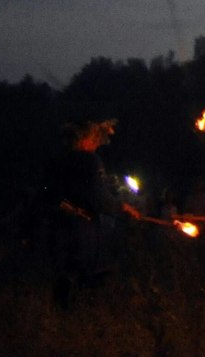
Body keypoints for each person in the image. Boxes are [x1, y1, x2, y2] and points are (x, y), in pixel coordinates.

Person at [43, 119, 139, 307]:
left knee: (63, 273)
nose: (96, 144)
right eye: (93, 139)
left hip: (57, 223)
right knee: (87, 273)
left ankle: (60, 316)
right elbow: (99, 197)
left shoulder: (57, 159)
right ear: (85, 139)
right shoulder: (89, 160)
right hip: (81, 226)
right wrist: (122, 207)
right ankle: (80, 321)